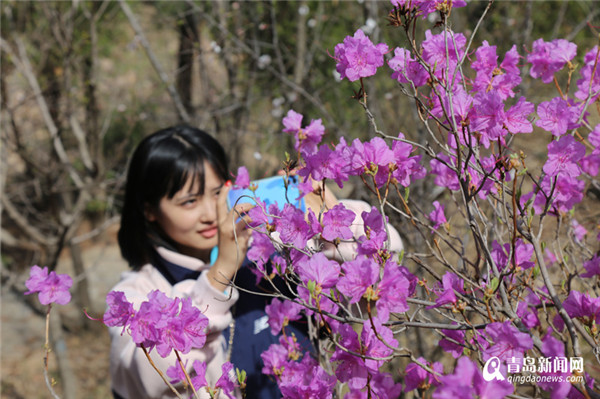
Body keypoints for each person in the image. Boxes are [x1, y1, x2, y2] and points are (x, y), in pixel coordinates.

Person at [108, 124, 404, 399]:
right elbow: (149, 380)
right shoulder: (137, 294)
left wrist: (331, 222)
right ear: (149, 210)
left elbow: (389, 259)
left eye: (216, 193)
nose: (210, 213)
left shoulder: (273, 253)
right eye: (189, 201)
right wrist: (219, 275)